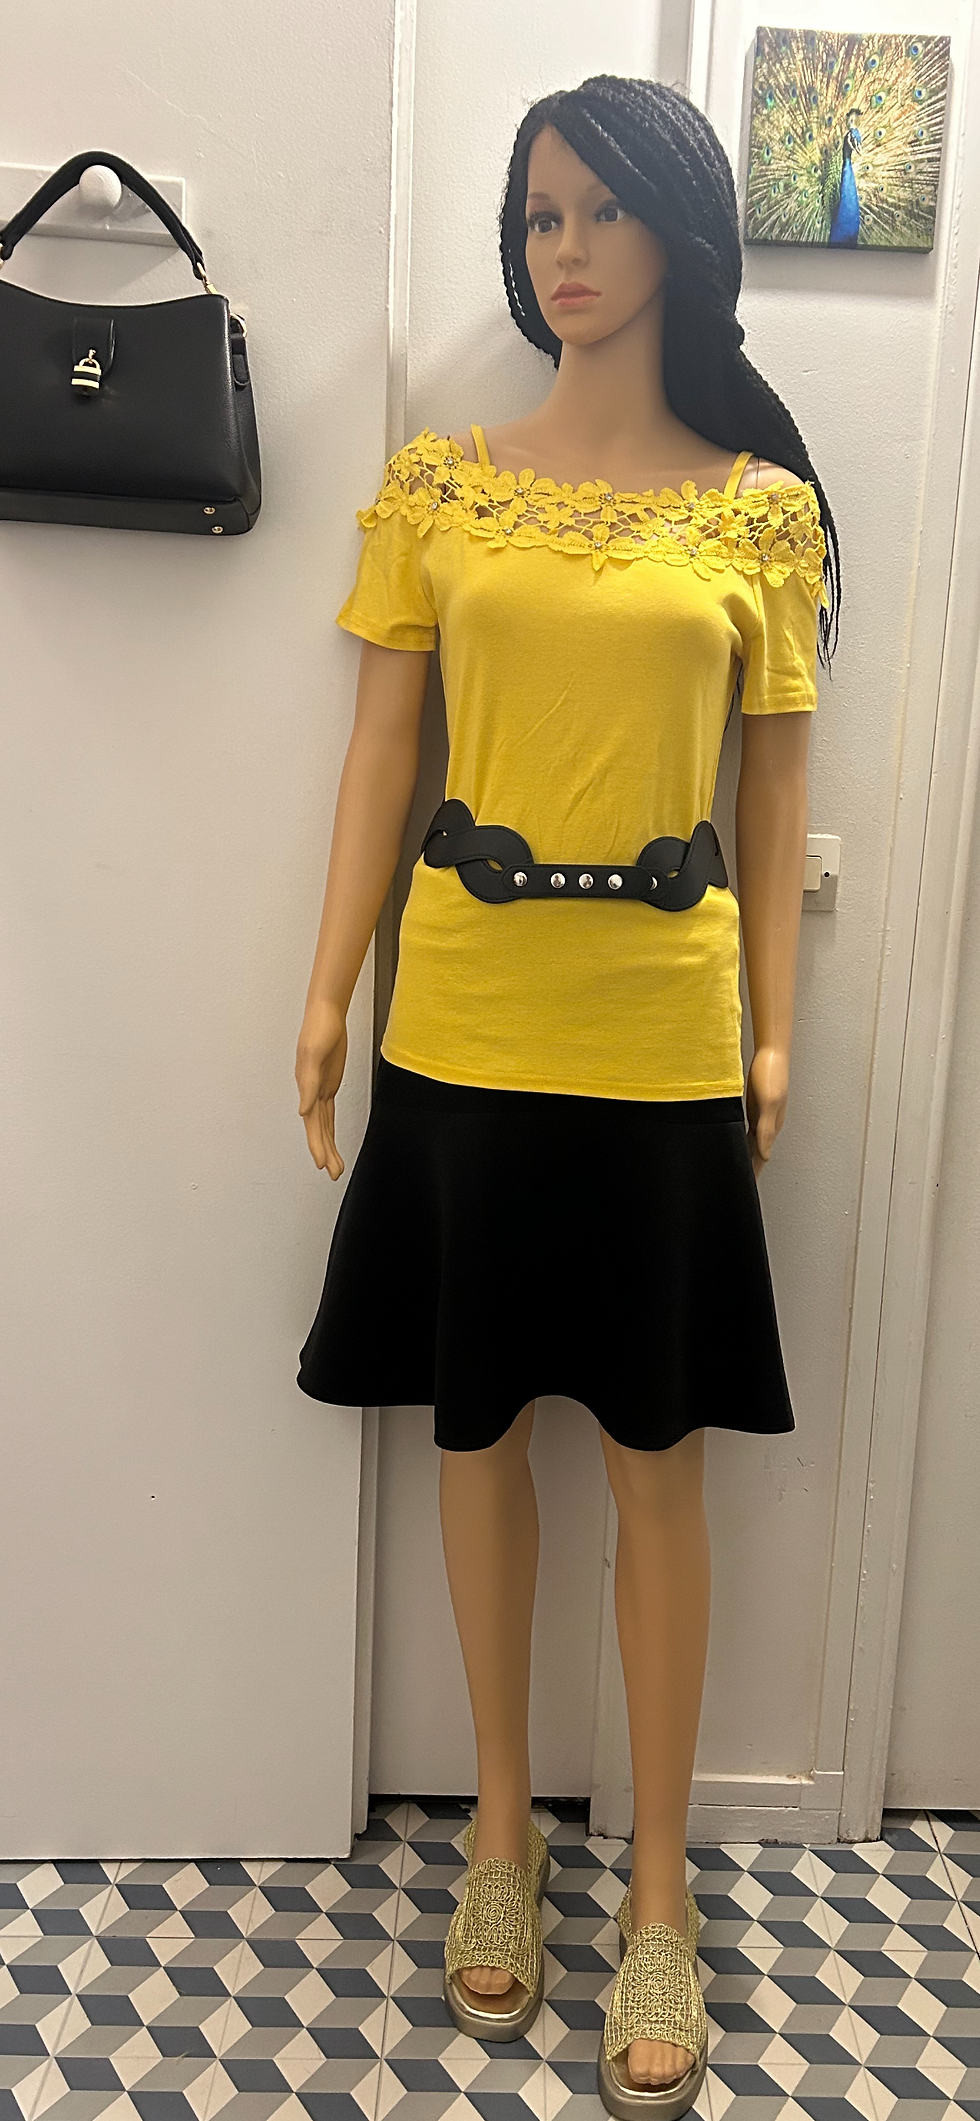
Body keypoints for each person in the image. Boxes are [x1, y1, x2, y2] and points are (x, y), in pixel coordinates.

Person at [295, 73, 839, 2120]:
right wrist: (326, 987)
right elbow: (382, 756)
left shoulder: (758, 513)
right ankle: (504, 1836)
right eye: (538, 216)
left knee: (655, 1454)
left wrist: (773, 1034)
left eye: (602, 209)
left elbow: (775, 792)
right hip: (463, 1025)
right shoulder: (442, 489)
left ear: (680, 233)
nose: (567, 248)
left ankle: (664, 1884)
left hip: (662, 1035)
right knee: (475, 1422)